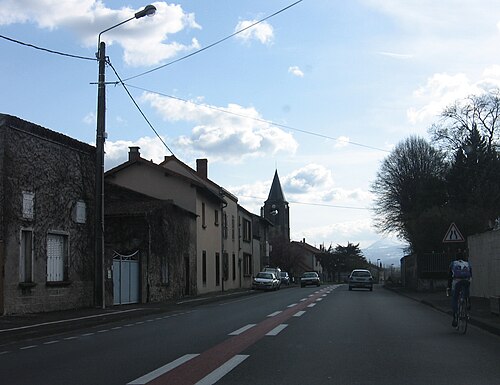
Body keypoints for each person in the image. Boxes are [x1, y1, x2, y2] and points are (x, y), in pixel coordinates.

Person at [447, 258, 472, 327]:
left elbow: (450, 276)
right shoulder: (468, 263)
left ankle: (455, 317)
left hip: (457, 281)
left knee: (455, 298)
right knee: (466, 289)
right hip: (466, 280)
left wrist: (448, 287)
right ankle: (468, 301)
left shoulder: (453, 263)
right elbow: (470, 274)